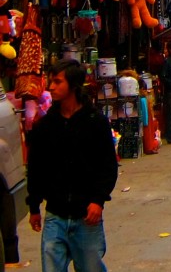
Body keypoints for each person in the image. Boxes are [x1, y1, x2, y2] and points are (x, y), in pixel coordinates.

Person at [26, 60, 118, 272]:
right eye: (51, 81)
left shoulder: (96, 122)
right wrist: (34, 207)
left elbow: (107, 166)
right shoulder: (45, 127)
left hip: (87, 217)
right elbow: (36, 168)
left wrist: (98, 200)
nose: (51, 87)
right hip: (55, 217)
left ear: (74, 85)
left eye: (57, 82)